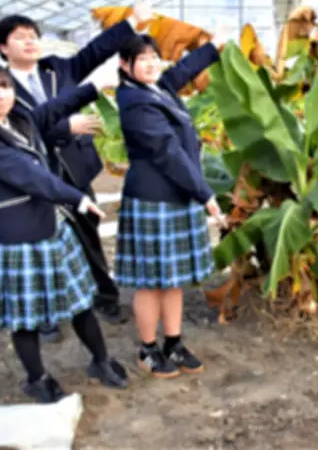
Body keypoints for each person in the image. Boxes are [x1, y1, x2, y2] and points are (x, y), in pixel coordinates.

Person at [0, 62, 129, 403]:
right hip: (18, 235)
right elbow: (27, 174)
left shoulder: (21, 119)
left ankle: (101, 360)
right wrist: (75, 196)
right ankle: (37, 378)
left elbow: (54, 108)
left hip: (51, 225)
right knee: (26, 317)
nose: (1, 94)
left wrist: (95, 86)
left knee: (81, 300)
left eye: (5, 86)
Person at [0, 0, 154, 339]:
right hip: (34, 175)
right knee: (42, 241)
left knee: (88, 230)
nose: (31, 41)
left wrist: (133, 21)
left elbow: (95, 51)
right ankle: (47, 312)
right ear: (4, 47)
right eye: (21, 37)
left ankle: (105, 296)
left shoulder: (58, 69)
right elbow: (17, 129)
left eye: (34, 35)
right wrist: (66, 127)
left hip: (75, 169)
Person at [113, 34, 225, 379]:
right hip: (153, 200)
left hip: (175, 196)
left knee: (172, 279)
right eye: (141, 59)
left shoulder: (157, 88)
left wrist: (211, 47)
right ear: (124, 66)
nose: (151, 64)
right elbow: (168, 152)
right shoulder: (135, 102)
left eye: (154, 57)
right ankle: (147, 348)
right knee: (151, 281)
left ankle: (173, 342)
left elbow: (181, 71)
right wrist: (205, 194)